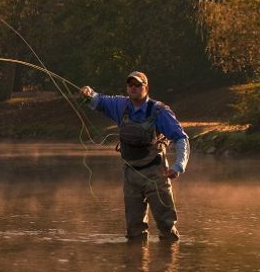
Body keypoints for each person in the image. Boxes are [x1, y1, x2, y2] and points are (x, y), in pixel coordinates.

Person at [80, 71, 190, 241]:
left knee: (167, 230)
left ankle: (170, 265)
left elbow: (181, 138)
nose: (133, 88)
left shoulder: (160, 111)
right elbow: (98, 100)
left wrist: (178, 166)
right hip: (130, 175)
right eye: (130, 84)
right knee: (134, 233)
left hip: (156, 174)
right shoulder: (120, 105)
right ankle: (137, 265)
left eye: (138, 84)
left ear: (146, 87)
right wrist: (88, 92)